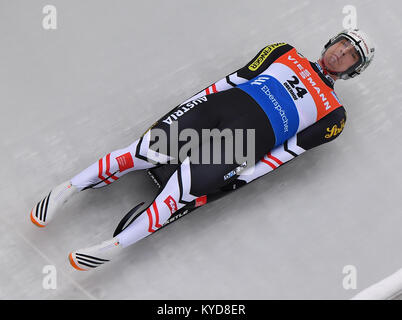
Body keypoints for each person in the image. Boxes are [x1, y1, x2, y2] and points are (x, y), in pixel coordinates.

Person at [29, 29, 375, 271]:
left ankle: (111, 247)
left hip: (241, 144)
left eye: (349, 56)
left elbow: (286, 154)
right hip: (213, 111)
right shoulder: (284, 51)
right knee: (140, 152)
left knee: (177, 195)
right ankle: (67, 189)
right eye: (342, 44)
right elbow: (230, 81)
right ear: (331, 41)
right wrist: (187, 108)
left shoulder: (334, 114)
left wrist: (245, 176)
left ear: (353, 70)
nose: (340, 53)